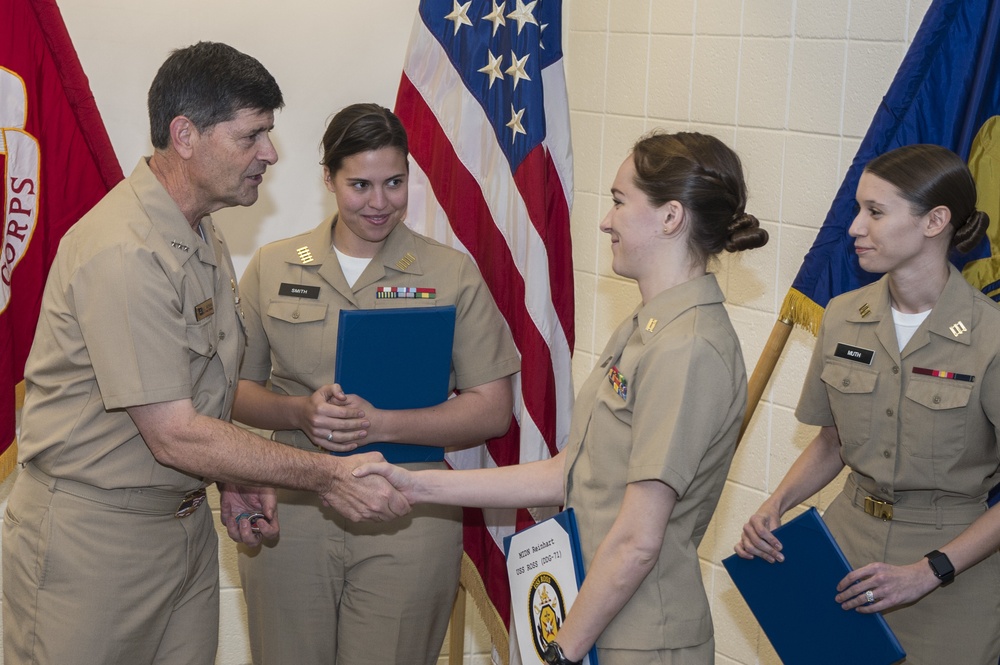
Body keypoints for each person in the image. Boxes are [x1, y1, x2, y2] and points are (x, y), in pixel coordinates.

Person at [2, 43, 409, 665]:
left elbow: (199, 396)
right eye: (252, 136)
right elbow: (177, 436)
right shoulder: (126, 250)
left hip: (184, 527)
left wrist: (234, 474)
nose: (269, 154)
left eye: (268, 135)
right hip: (94, 545)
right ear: (185, 135)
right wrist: (330, 473)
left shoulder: (200, 231)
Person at [358, 131, 769, 665]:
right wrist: (415, 484)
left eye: (621, 202)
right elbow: (571, 472)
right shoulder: (647, 328)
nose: (606, 220)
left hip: (641, 636)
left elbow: (639, 539)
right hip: (600, 619)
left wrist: (562, 652)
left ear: (670, 218)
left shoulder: (686, 348)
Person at [231, 102, 519, 665]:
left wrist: (382, 423)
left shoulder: (449, 273)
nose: (379, 202)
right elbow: (231, 391)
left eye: (395, 182)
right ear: (329, 180)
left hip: (407, 511)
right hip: (294, 507)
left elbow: (493, 408)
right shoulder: (275, 265)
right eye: (360, 184)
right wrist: (299, 414)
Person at [735, 144, 1000, 664]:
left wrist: (930, 571)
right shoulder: (842, 315)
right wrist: (776, 504)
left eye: (875, 212)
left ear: (935, 221)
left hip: (952, 573)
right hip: (844, 557)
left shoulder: (990, 335)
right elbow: (833, 441)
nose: (855, 227)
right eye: (859, 210)